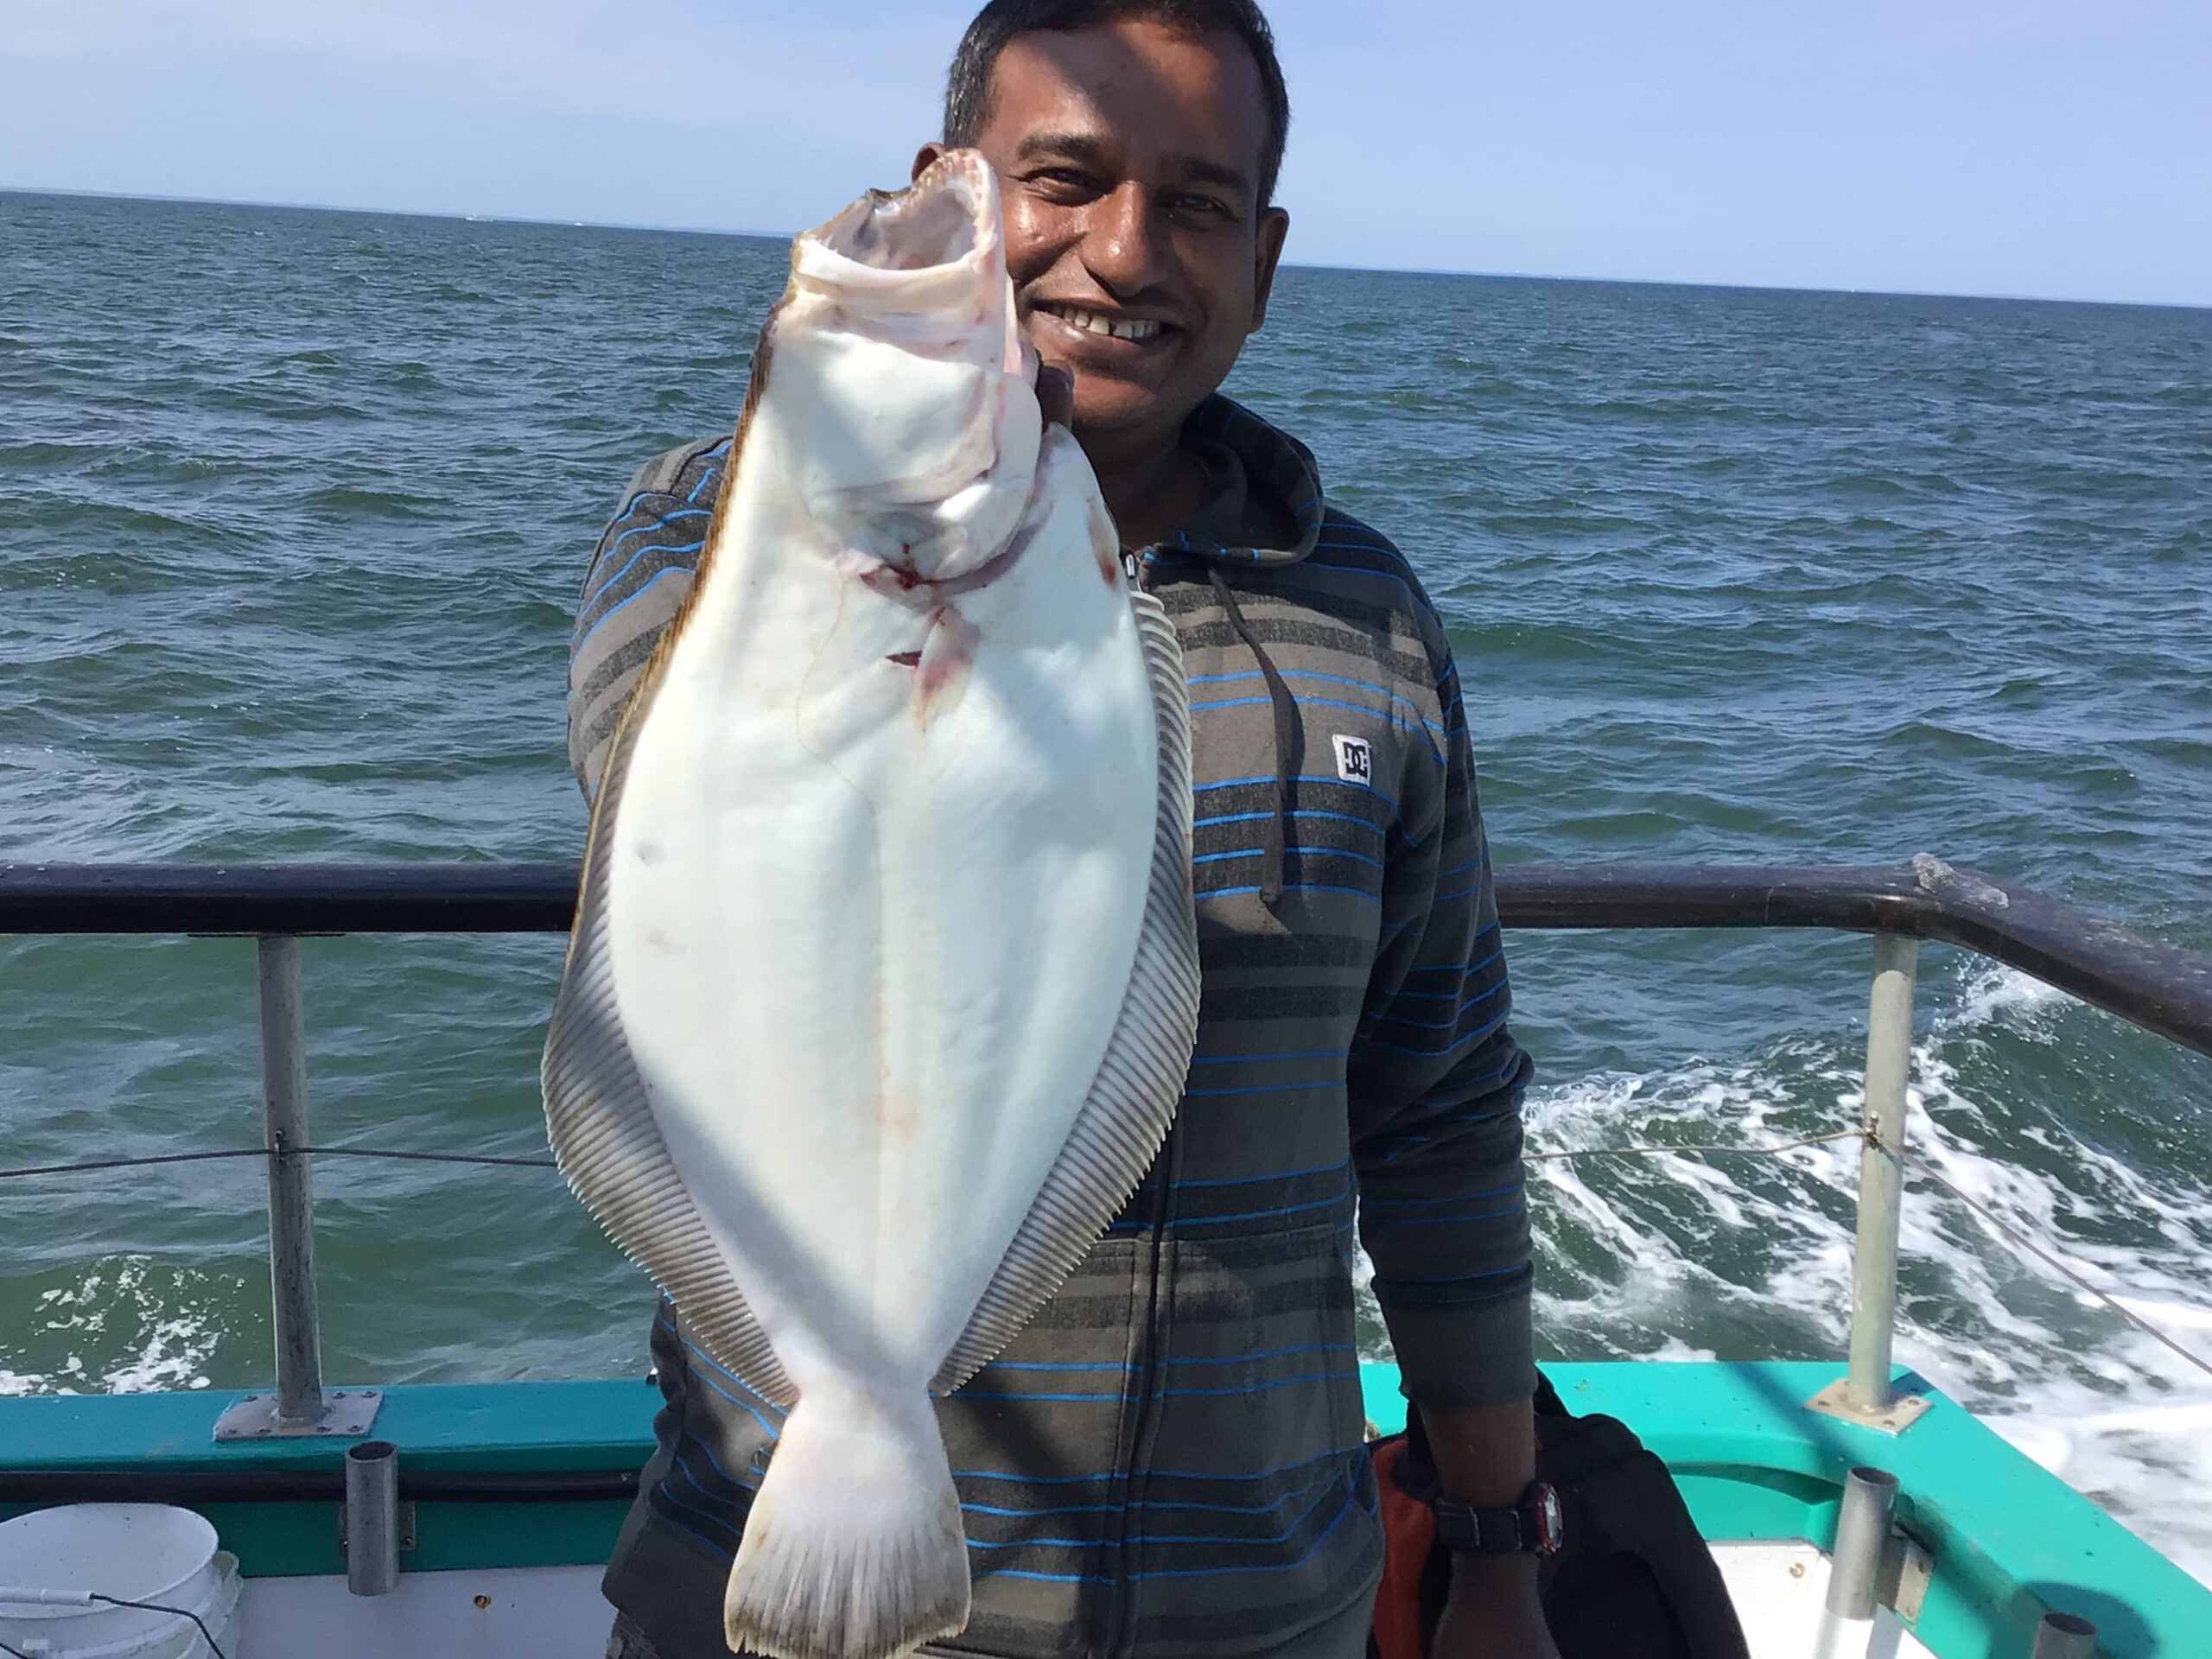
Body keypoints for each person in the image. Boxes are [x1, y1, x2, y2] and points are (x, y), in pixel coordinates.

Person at [566, 3, 1553, 1655]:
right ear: (955, 192)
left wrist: (1494, 1548)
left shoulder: (1363, 610)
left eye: (1198, 204)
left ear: (1266, 253)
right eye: (1063, 180)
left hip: (1259, 1602)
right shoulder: (712, 529)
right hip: (766, 1563)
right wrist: (857, 406)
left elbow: (1440, 1102)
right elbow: (637, 757)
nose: (1122, 252)